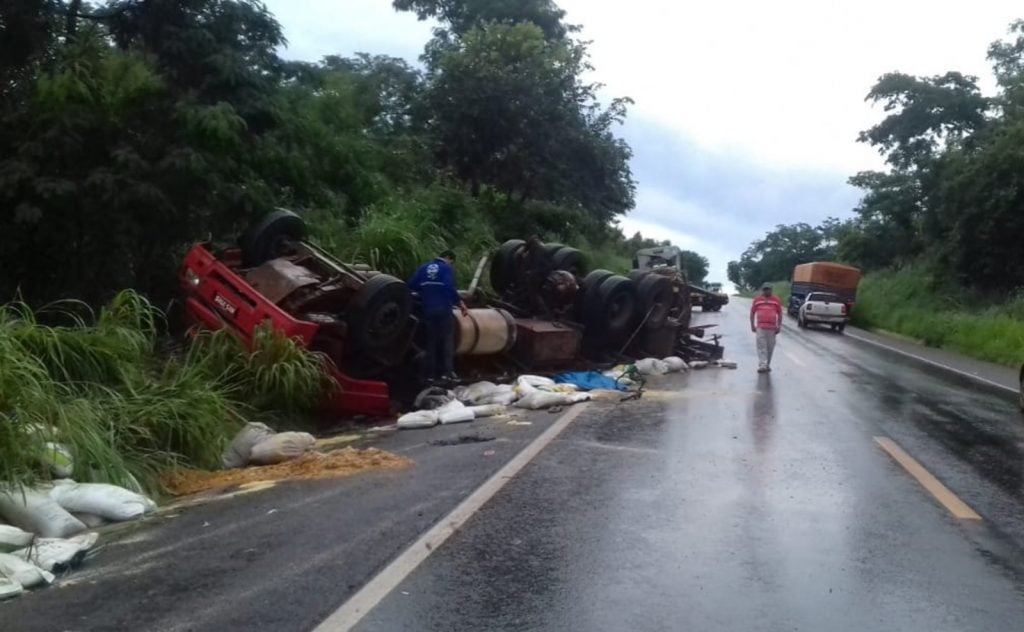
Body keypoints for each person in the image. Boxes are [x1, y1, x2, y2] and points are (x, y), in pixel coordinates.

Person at [409, 250, 469, 380]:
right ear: (449, 258)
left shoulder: (424, 267)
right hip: (443, 310)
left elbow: (412, 284)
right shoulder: (445, 269)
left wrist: (426, 292)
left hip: (428, 310)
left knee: (431, 342)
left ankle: (431, 374)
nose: (451, 265)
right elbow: (449, 287)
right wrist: (460, 303)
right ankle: (446, 373)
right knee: (447, 341)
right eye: (451, 263)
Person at [750, 283, 783, 373]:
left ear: (771, 290)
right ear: (762, 290)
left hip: (772, 328)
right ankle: (762, 365)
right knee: (761, 346)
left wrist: (779, 326)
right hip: (760, 327)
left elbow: (779, 313)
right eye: (765, 289)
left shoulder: (776, 300)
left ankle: (767, 364)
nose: (766, 291)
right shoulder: (757, 300)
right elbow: (752, 312)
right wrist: (752, 325)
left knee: (770, 347)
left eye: (768, 289)